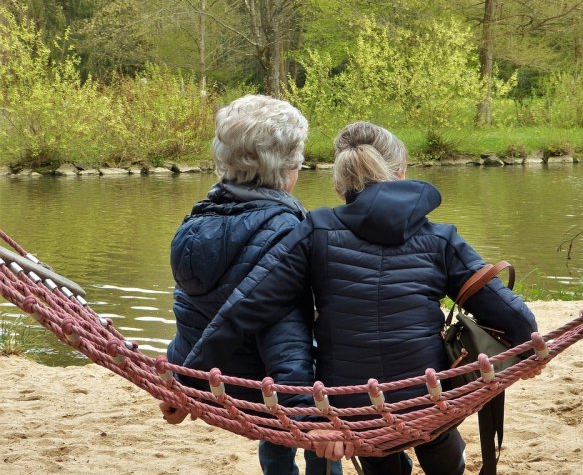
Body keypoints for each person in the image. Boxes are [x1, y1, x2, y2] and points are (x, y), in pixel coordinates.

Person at [184, 121, 538, 475]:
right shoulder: (441, 238)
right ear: (400, 174)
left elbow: (247, 307)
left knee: (374, 442)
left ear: (340, 187)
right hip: (426, 395)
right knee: (437, 424)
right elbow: (507, 312)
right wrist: (531, 347)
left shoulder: (314, 230)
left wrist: (188, 381)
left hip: (353, 405)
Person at [159, 94, 340, 475]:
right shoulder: (290, 233)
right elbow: (287, 338)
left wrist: (180, 380)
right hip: (270, 392)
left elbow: (191, 315)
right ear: (287, 169)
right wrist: (308, 422)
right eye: (299, 161)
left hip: (213, 382)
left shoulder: (191, 227)